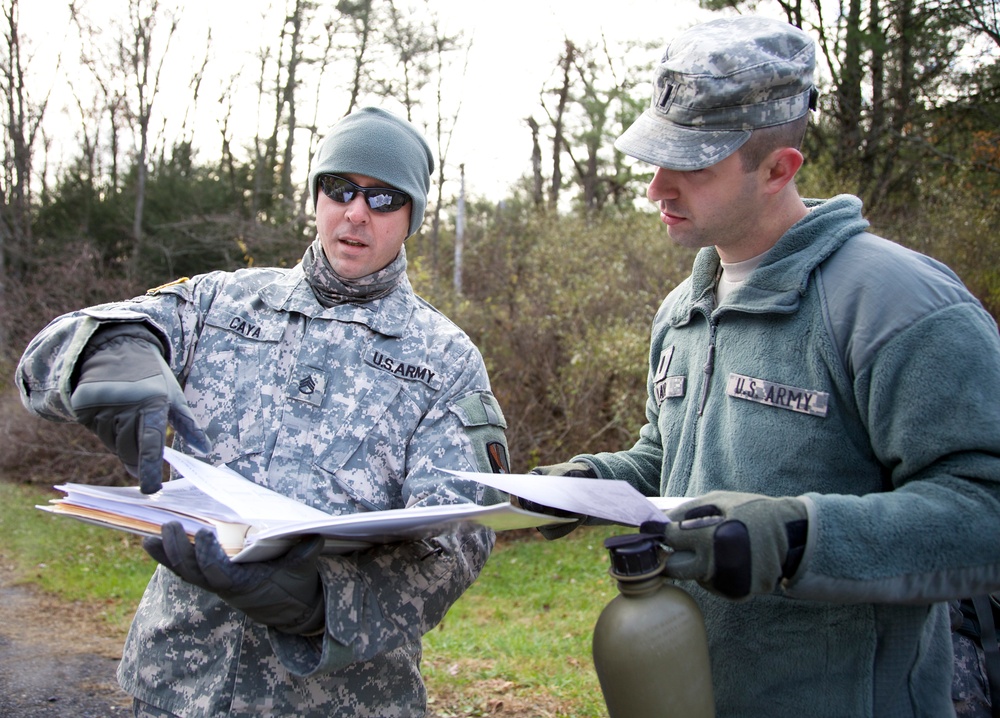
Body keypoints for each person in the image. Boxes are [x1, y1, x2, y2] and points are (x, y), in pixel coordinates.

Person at [530, 15, 1000, 718]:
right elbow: (670, 461)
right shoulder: (681, 312)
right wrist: (591, 483)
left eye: (690, 166)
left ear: (779, 169)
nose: (657, 187)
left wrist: (797, 537)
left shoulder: (897, 305)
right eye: (658, 159)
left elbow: (983, 508)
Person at [15, 106, 510, 718]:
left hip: (341, 700)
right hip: (177, 684)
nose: (356, 212)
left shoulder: (446, 358)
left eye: (384, 198)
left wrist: (316, 603)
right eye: (340, 188)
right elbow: (51, 353)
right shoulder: (220, 301)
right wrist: (113, 355)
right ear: (317, 197)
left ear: (412, 217)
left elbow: (460, 537)